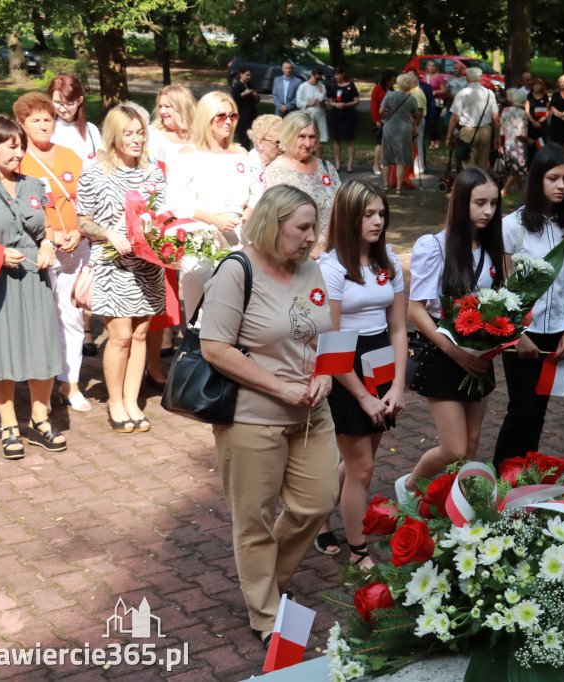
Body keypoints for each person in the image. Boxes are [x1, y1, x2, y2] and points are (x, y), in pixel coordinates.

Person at [199, 184, 337, 649]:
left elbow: (323, 337)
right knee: (254, 519)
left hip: (312, 414)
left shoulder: (310, 268)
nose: (311, 238)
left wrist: (327, 375)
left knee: (317, 502)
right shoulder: (236, 270)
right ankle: (264, 613)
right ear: (271, 224)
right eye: (302, 228)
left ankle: (268, 581)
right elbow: (214, 347)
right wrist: (280, 387)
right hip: (252, 417)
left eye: (313, 228)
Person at [398, 168, 505, 495]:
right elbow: (416, 309)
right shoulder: (434, 247)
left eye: (493, 204)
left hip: (479, 357)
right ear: (460, 203)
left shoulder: (492, 249)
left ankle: (451, 507)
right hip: (444, 355)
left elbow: (499, 305)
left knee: (471, 445)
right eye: (480, 203)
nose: (488, 211)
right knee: (455, 448)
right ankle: (411, 486)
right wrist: (456, 351)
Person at [317, 179, 406, 567]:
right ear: (349, 216)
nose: (377, 221)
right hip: (344, 369)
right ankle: (358, 553)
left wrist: (398, 384)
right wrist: (362, 395)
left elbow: (400, 328)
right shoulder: (331, 266)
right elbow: (332, 340)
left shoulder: (389, 262)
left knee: (358, 461)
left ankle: (318, 514)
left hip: (381, 361)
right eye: (368, 214)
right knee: (364, 468)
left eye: (382, 214)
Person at [0, 117, 65, 459]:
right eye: (11, 147)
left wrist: (48, 245)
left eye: (21, 147)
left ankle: (39, 420)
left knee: (41, 345)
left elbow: (48, 229)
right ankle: (8, 423)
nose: (19, 153)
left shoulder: (34, 185)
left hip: (32, 276)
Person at [76, 106, 167, 434]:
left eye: (140, 132)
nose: (136, 139)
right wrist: (108, 233)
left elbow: (161, 216)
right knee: (121, 335)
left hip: (147, 266)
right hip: (112, 266)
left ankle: (132, 400)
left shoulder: (153, 173)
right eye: (128, 133)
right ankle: (115, 402)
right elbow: (82, 219)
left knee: (141, 333)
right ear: (114, 136)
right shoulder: (95, 172)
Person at [493, 144, 564, 469]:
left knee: (540, 408)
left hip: (555, 333)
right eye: (553, 178)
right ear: (536, 180)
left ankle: (526, 476)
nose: (561, 185)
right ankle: (501, 475)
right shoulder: (511, 226)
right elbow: (503, 285)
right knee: (521, 408)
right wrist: (517, 335)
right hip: (521, 333)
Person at [12, 93, 91, 414]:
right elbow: (15, 210)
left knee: (72, 317)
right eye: (35, 120)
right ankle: (38, 388)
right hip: (38, 251)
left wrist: (81, 231)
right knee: (41, 319)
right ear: (21, 124)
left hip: (76, 247)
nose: (44, 125)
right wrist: (49, 234)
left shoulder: (72, 156)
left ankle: (69, 383)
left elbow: (88, 201)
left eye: (48, 119)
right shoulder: (16, 161)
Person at [169, 92, 263, 321]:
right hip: (202, 240)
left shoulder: (241, 153)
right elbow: (175, 202)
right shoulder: (190, 154)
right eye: (220, 116)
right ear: (206, 118)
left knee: (239, 309)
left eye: (232, 115)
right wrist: (213, 219)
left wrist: (250, 208)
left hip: (241, 238)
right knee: (201, 313)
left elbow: (256, 191)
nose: (228, 121)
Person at [146, 84, 197, 386]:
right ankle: (153, 366)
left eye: (171, 106)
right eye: (161, 105)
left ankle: (193, 358)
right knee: (162, 298)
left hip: (195, 224)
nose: (164, 111)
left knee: (193, 293)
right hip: (162, 226)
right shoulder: (152, 138)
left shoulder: (198, 138)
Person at [263, 111, 339, 259]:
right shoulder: (277, 171)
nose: (308, 144)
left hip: (331, 254)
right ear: (290, 136)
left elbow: (340, 209)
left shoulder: (327, 169)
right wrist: (310, 248)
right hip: (297, 256)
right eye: (302, 137)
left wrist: (327, 246)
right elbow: (274, 219)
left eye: (312, 137)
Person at [447, 68, 500, 170]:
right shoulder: (490, 93)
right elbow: (496, 118)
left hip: (467, 131)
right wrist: (497, 136)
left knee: (468, 164)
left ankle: (470, 184)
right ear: (480, 78)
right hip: (486, 131)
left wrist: (449, 136)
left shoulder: (462, 93)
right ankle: (480, 184)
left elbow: (454, 117)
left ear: (467, 78)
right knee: (483, 165)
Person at [379, 74, 420, 196]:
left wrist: (386, 114)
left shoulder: (390, 95)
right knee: (400, 159)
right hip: (404, 129)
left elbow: (381, 111)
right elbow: (416, 114)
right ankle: (398, 188)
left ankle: (386, 185)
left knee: (386, 157)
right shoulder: (411, 99)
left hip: (389, 127)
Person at [48, 75, 101, 166]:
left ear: (79, 101)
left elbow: (101, 163)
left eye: (68, 103)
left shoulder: (91, 130)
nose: (63, 109)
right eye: (57, 102)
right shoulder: (46, 129)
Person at [328, 67, 360, 173]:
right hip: (337, 114)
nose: (336, 77)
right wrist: (336, 104)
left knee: (350, 138)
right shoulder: (333, 87)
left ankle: (350, 164)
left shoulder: (351, 86)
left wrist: (346, 104)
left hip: (349, 114)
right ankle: (337, 162)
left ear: (343, 74)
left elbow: (357, 100)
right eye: (335, 75)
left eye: (338, 74)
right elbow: (330, 101)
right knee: (337, 138)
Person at [499, 89, 529, 196]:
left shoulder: (505, 110)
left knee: (514, 168)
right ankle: (504, 190)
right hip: (518, 145)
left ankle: (522, 189)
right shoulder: (522, 114)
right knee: (517, 170)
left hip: (507, 142)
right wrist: (529, 141)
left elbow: (501, 129)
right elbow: (521, 133)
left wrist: (500, 143)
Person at [296, 69, 329, 158]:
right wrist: (308, 103)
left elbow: (326, 101)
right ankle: (307, 158)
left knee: (320, 140)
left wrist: (323, 104)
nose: (317, 81)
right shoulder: (303, 86)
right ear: (312, 76)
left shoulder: (322, 87)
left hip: (320, 115)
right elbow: (298, 103)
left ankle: (318, 160)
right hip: (308, 115)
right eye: (316, 79)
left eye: (319, 79)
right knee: (308, 138)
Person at [370, 71, 397, 176]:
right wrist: (376, 120)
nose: (392, 83)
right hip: (380, 121)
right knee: (380, 144)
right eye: (391, 81)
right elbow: (374, 106)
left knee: (389, 144)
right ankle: (376, 165)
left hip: (390, 120)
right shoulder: (377, 90)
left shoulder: (392, 91)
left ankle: (384, 163)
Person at [230, 68, 260, 148]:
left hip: (251, 115)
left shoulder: (250, 85)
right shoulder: (238, 85)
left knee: (253, 137)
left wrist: (255, 95)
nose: (248, 77)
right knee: (244, 139)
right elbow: (235, 99)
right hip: (242, 116)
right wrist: (244, 94)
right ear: (241, 74)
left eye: (249, 75)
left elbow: (257, 100)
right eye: (246, 75)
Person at [247, 114, 283, 178]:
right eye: (278, 143)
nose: (283, 148)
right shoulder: (246, 167)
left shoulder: (286, 166)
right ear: (260, 143)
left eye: (285, 143)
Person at [525, 77, 550, 166]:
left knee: (541, 145)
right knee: (531, 146)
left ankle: (542, 165)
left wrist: (540, 121)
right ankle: (530, 166)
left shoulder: (545, 96)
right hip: (531, 124)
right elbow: (527, 111)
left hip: (541, 125)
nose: (536, 87)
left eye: (538, 85)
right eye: (534, 85)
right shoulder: (529, 96)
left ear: (541, 86)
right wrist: (533, 122)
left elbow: (547, 111)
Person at [424, 61, 445, 150]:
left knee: (434, 121)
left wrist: (436, 92)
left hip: (437, 101)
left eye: (433, 66)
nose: (431, 68)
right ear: (427, 67)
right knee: (429, 121)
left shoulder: (439, 77)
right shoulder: (425, 77)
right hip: (427, 101)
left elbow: (444, 90)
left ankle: (437, 140)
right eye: (430, 66)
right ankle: (432, 140)